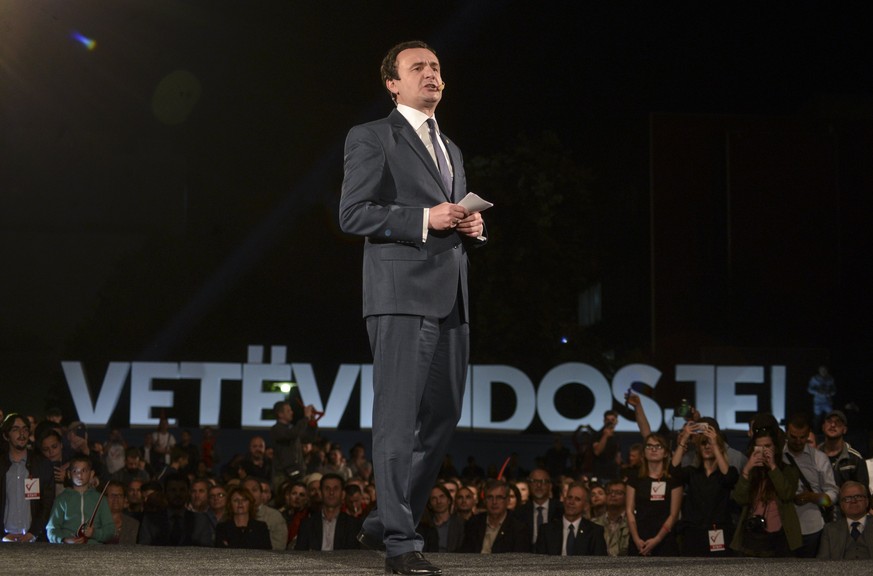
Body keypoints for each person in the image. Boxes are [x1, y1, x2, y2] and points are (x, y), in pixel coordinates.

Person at [339, 39, 485, 576]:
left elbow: (454, 213)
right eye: (418, 67)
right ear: (392, 84)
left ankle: (385, 517)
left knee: (442, 417)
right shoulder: (372, 136)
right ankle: (400, 544)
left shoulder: (451, 147)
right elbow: (353, 214)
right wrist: (426, 218)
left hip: (451, 297)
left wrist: (472, 224)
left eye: (437, 67)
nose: (432, 73)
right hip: (400, 295)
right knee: (397, 422)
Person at [730, 424, 802, 557]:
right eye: (760, 447)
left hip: (780, 537)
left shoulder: (788, 470)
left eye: (768, 446)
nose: (764, 451)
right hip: (753, 537)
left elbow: (787, 494)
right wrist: (746, 470)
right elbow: (740, 499)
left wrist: (773, 467)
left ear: (775, 448)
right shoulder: (750, 471)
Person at [670, 417, 738, 556]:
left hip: (719, 531)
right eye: (703, 443)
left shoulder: (727, 472)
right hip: (693, 533)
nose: (707, 446)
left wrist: (715, 443)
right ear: (698, 448)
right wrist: (684, 438)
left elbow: (729, 478)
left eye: (710, 444)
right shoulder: (692, 473)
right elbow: (674, 470)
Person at [782, 413, 838, 557]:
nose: (799, 441)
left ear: (808, 434)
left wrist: (812, 497)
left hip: (812, 527)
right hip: (782, 527)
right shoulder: (777, 457)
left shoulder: (819, 458)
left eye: (803, 437)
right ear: (786, 433)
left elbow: (833, 495)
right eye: (794, 437)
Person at [1, 413, 55, 542]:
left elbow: (46, 504)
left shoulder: (42, 465)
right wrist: (2, 535)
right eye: (15, 429)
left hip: (33, 539)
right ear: (5, 435)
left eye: (25, 429)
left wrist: (32, 533)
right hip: (5, 538)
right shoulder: (1, 464)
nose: (22, 433)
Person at [626, 433, 682, 556]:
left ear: (666, 453)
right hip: (639, 540)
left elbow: (674, 515)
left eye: (658, 446)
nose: (653, 449)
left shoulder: (673, 479)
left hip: (665, 540)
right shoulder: (634, 477)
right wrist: (636, 539)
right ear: (644, 452)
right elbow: (629, 511)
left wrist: (657, 539)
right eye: (649, 446)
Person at [46, 455, 114, 544]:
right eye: (75, 471)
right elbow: (51, 529)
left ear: (92, 474)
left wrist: (94, 533)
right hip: (68, 552)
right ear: (69, 474)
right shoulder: (62, 499)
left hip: (94, 552)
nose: (79, 474)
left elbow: (110, 530)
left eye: (84, 470)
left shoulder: (100, 499)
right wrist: (65, 539)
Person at [294, 472, 362, 551]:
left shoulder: (353, 525)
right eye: (327, 488)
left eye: (335, 488)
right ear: (321, 492)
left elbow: (354, 556)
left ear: (343, 494)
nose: (331, 493)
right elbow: (300, 556)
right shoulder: (307, 525)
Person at [535, 481, 606, 556]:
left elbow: (600, 564)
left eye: (577, 499)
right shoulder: (546, 530)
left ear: (585, 505)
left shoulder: (595, 532)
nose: (571, 502)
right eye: (569, 497)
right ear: (564, 500)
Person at [459, 480, 528, 553]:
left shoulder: (518, 528)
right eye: (490, 497)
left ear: (507, 500)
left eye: (499, 497)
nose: (494, 502)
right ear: (485, 500)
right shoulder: (474, 523)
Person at [817, 481, 873, 560]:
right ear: (841, 505)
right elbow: (822, 562)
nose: (853, 501)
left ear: (867, 502)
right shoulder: (829, 530)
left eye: (858, 496)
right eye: (847, 498)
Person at [818, 410, 868, 490]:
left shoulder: (855, 458)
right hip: (818, 501)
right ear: (823, 427)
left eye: (838, 422)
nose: (833, 425)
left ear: (844, 429)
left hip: (847, 501)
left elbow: (863, 492)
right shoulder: (814, 456)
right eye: (829, 421)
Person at [270, 400, 314, 494]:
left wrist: (313, 421)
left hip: (297, 474)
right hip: (283, 476)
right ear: (280, 414)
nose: (292, 412)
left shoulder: (292, 429)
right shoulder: (276, 429)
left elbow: (309, 438)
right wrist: (306, 417)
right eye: (288, 410)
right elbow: (293, 434)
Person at [516, 468, 563, 551]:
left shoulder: (561, 510)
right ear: (529, 485)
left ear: (550, 486)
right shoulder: (519, 513)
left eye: (543, 482)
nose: (539, 485)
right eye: (535, 481)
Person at [242, 476, 287, 550]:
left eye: (254, 490)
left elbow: (278, 548)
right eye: (246, 491)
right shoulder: (233, 515)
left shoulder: (274, 516)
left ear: (261, 493)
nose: (250, 494)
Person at [419, 484, 464, 553]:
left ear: (449, 500)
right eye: (434, 498)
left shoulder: (460, 524)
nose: (439, 501)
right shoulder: (424, 527)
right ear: (429, 504)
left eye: (442, 497)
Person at [592, 480, 630, 557]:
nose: (613, 495)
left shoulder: (631, 524)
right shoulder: (594, 523)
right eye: (609, 492)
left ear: (627, 497)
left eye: (618, 493)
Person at [104, 480, 139, 545]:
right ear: (104, 498)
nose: (116, 499)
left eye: (120, 495)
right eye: (112, 495)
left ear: (125, 499)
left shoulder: (134, 525)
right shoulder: (96, 523)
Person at [592, 410, 622, 482]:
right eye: (608, 420)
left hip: (614, 474)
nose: (610, 422)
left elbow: (618, 457)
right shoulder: (597, 435)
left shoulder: (617, 437)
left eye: (612, 420)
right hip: (600, 474)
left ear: (616, 422)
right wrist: (605, 436)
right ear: (604, 421)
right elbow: (597, 452)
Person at [808, 365, 836, 430]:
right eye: (822, 370)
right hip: (818, 402)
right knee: (817, 417)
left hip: (827, 401)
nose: (823, 372)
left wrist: (831, 392)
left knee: (830, 417)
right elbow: (809, 389)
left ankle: (829, 430)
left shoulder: (830, 379)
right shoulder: (815, 379)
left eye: (825, 370)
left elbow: (834, 389)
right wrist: (817, 391)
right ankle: (816, 431)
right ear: (819, 371)